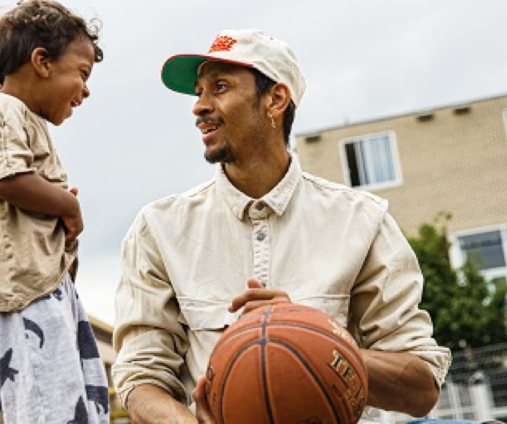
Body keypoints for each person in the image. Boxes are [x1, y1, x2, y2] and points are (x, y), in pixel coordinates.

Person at [112, 29, 452, 422]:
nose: (199, 106)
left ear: (275, 99)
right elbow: (140, 381)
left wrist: (314, 340)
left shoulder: (363, 221)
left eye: (219, 87)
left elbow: (421, 387)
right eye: (199, 91)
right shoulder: (158, 229)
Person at [0, 1, 109, 422]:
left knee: (81, 404)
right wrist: (67, 204)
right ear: (42, 62)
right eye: (82, 73)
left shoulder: (27, 121)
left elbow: (22, 188)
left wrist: (53, 206)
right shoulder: (2, 110)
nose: (86, 89)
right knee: (50, 410)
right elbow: (7, 179)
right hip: (26, 299)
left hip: (47, 290)